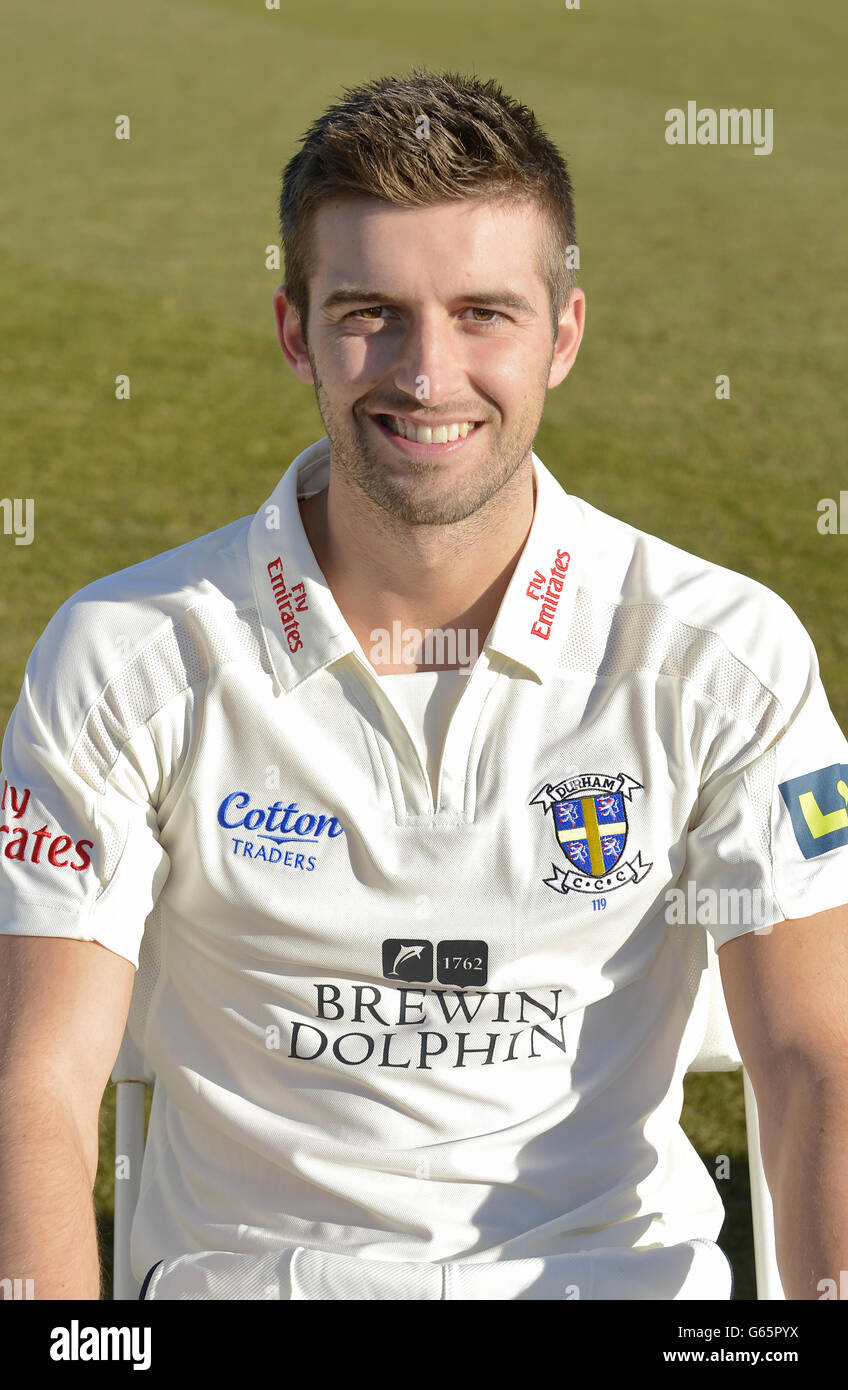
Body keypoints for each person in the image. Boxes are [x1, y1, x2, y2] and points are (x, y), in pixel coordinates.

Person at [1, 69, 847, 1303]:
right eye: (370, 313)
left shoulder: (717, 650)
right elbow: (33, 1084)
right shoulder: (128, 652)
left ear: (562, 333)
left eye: (482, 313)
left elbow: (814, 1060)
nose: (425, 373)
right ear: (296, 332)